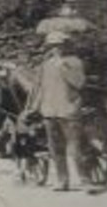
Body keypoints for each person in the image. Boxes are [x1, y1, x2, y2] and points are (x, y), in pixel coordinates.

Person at [28, 31, 87, 191]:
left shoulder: (74, 62)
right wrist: (34, 106)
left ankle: (84, 179)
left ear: (65, 45)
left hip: (69, 110)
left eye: (59, 45)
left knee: (74, 148)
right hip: (49, 111)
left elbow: (80, 83)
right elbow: (41, 88)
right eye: (52, 45)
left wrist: (63, 67)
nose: (56, 48)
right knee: (55, 149)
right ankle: (63, 181)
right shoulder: (45, 65)